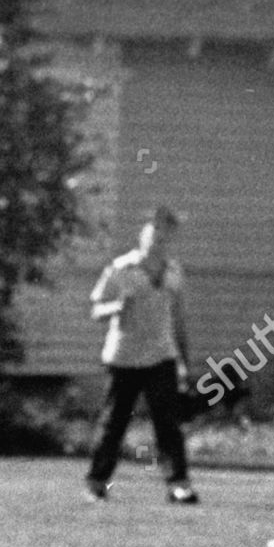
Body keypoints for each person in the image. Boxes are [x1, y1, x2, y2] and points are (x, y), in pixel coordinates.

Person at [85, 205, 199, 504]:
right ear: (142, 241)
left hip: (161, 355)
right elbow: (96, 309)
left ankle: (179, 484)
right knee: (114, 422)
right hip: (123, 357)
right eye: (153, 240)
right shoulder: (122, 269)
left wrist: (186, 363)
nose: (158, 245)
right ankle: (97, 482)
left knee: (167, 424)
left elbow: (179, 321)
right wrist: (116, 307)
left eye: (163, 240)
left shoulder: (174, 272)